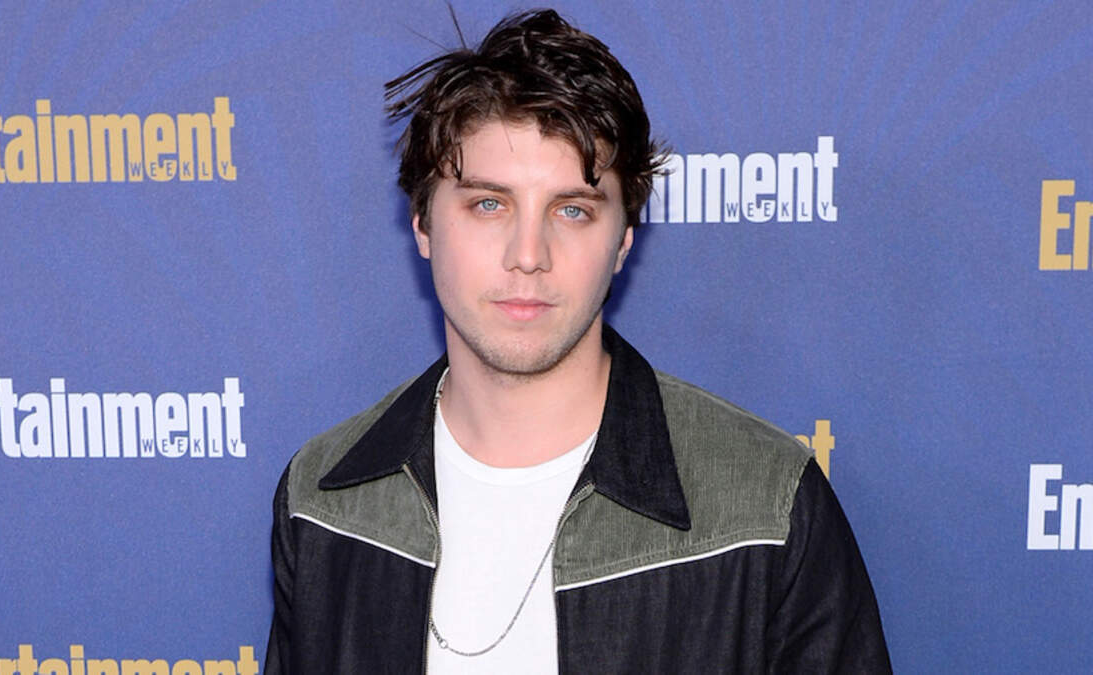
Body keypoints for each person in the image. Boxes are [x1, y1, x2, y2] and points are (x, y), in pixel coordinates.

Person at [265, 8, 891, 673]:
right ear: (423, 224)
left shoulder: (766, 508)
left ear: (623, 241)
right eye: (488, 204)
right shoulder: (323, 504)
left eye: (572, 210)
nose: (528, 254)